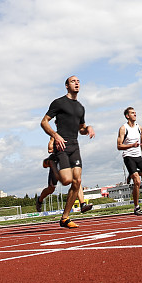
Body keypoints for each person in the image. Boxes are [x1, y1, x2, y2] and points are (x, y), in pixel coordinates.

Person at [40, 76, 95, 228]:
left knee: (77, 181)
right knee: (66, 180)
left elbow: (81, 129)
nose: (77, 83)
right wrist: (55, 135)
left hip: (74, 145)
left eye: (78, 81)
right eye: (73, 81)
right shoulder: (59, 103)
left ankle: (65, 218)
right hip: (61, 145)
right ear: (66, 86)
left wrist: (88, 128)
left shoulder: (80, 107)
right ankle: (51, 162)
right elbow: (44, 122)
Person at [35, 136, 92, 214]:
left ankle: (82, 204)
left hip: (67, 160)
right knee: (51, 189)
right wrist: (58, 146)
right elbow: (50, 149)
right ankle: (40, 200)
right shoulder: (55, 136)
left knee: (76, 181)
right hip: (56, 161)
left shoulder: (70, 134)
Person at [117, 106, 142, 216]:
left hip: (138, 157)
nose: (135, 114)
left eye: (135, 113)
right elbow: (119, 146)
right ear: (127, 116)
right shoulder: (123, 128)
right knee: (137, 182)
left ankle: (135, 173)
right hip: (128, 157)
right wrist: (131, 145)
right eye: (132, 113)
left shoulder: (139, 128)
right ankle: (136, 207)